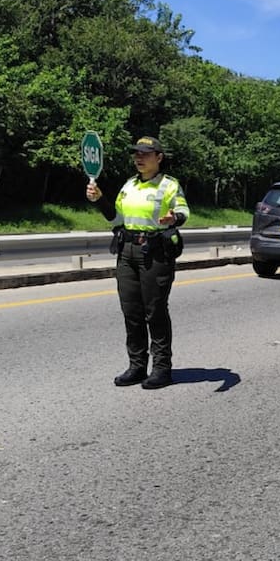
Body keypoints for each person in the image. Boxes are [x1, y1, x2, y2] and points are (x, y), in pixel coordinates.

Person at [86, 136, 189, 389]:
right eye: (136, 153)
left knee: (154, 310)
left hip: (155, 253)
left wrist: (172, 217)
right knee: (131, 311)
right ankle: (137, 366)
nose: (139, 158)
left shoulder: (169, 185)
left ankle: (162, 369)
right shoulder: (129, 185)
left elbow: (184, 211)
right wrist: (99, 199)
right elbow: (116, 218)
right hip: (127, 251)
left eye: (145, 153)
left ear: (159, 157)